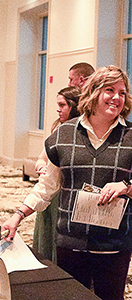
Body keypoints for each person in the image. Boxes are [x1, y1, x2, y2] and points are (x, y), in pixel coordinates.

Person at [2, 65, 132, 300]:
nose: (116, 97)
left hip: (115, 244)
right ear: (93, 93)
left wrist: (128, 187)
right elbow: (47, 186)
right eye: (109, 90)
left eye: (122, 92)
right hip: (71, 242)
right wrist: (18, 215)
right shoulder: (64, 134)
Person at [33, 86, 81, 262]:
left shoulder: (81, 132)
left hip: (66, 195)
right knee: (46, 236)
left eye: (62, 105)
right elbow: (42, 157)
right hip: (50, 192)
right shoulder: (58, 128)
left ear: (73, 106)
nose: (58, 109)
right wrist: (41, 166)